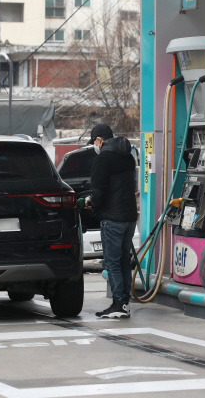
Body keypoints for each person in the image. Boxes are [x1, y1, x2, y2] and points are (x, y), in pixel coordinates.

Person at [85, 124, 138, 319]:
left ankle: (118, 303)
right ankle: (124, 303)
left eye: (94, 142)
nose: (95, 146)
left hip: (112, 218)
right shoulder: (128, 157)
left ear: (99, 140)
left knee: (112, 262)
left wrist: (92, 205)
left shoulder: (103, 158)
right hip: (130, 217)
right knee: (124, 260)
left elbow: (98, 190)